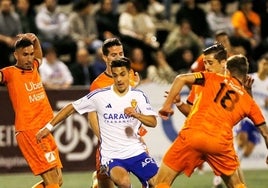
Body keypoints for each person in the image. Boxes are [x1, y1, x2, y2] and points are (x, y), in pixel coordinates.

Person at [36, 57, 159, 188]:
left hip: (136, 151)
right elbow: (71, 107)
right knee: (124, 183)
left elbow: (153, 122)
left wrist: (136, 114)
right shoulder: (100, 96)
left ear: (129, 74)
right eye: (115, 75)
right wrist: (48, 127)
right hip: (112, 155)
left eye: (122, 74)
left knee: (156, 182)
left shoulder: (138, 96)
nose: (119, 79)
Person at [155, 54, 268, 188]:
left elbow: (181, 78)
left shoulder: (211, 77)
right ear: (245, 75)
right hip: (219, 143)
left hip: (194, 135)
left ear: (227, 69)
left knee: (161, 181)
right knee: (237, 184)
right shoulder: (250, 102)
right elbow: (265, 133)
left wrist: (167, 106)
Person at [0, 33, 62, 187]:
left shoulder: (34, 66)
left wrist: (36, 40)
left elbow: (39, 56)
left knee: (58, 180)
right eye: (25, 55)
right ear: (16, 55)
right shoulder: (9, 73)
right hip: (30, 131)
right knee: (52, 182)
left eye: (31, 54)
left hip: (44, 129)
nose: (29, 58)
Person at [89, 37, 145, 188]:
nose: (119, 57)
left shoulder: (130, 74)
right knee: (106, 185)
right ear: (105, 57)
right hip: (111, 144)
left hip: (132, 139)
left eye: (121, 53)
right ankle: (97, 181)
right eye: (114, 55)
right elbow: (92, 117)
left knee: (150, 179)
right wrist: (103, 140)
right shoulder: (98, 85)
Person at [235, 53, 268, 160]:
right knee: (241, 140)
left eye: (267, 65)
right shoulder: (251, 78)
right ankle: (225, 171)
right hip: (247, 115)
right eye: (264, 63)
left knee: (248, 151)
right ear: (259, 64)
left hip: (260, 118)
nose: (265, 67)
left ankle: (235, 165)